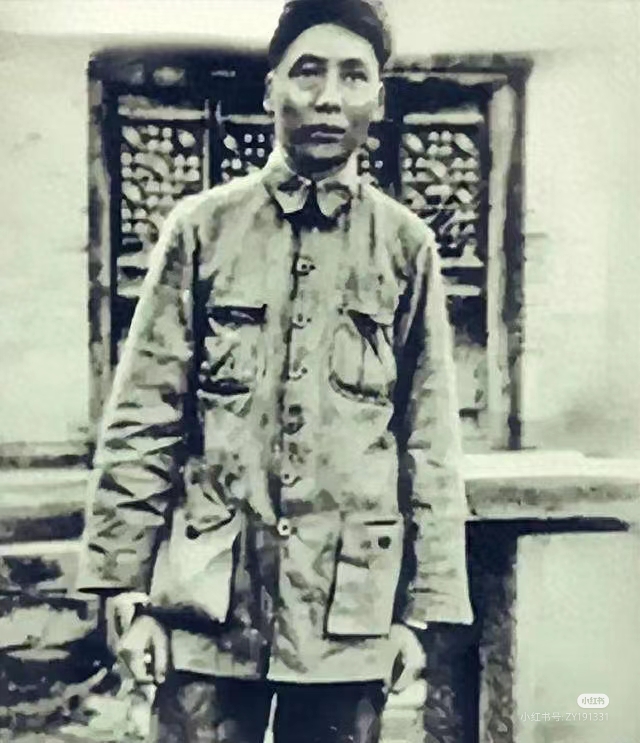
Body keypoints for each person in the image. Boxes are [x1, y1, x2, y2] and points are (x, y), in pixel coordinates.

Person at [76, 1, 474, 740]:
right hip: (206, 604)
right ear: (271, 90)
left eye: (353, 76)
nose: (328, 97)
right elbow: (145, 416)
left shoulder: (406, 246)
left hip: (348, 612)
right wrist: (125, 588)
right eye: (307, 72)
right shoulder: (201, 230)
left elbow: (429, 443)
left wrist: (419, 614)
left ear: (378, 99)